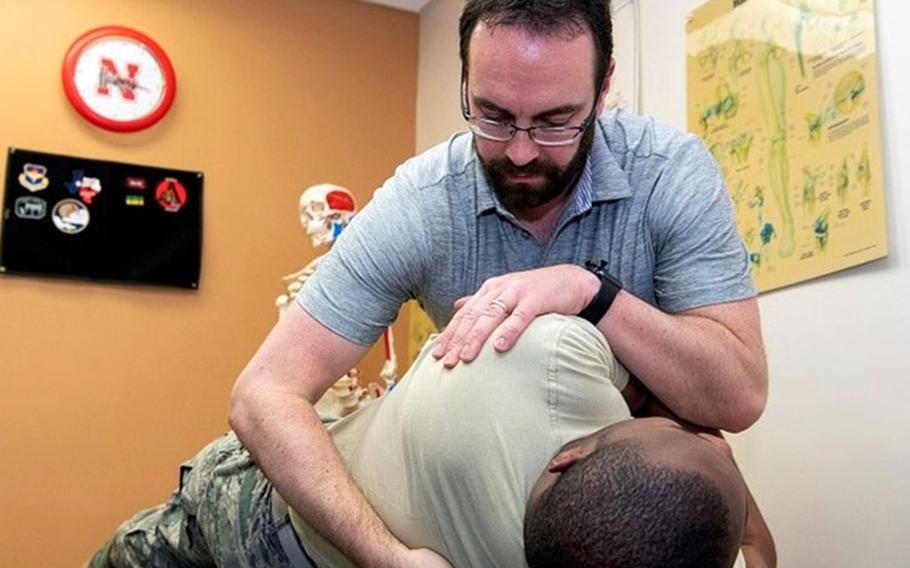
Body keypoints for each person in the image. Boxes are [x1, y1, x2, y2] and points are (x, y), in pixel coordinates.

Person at [229, 1, 769, 565]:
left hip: (610, 516)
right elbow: (263, 394)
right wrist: (386, 558)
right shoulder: (422, 204)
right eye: (493, 115)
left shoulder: (668, 174)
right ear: (464, 78)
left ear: (604, 85)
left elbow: (738, 396)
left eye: (556, 120)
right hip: (282, 516)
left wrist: (590, 293)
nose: (520, 150)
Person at [90, 315, 774, 568]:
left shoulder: (549, 355)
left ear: (573, 455)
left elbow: (669, 391)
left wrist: (703, 448)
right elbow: (756, 554)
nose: (698, 432)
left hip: (263, 500)